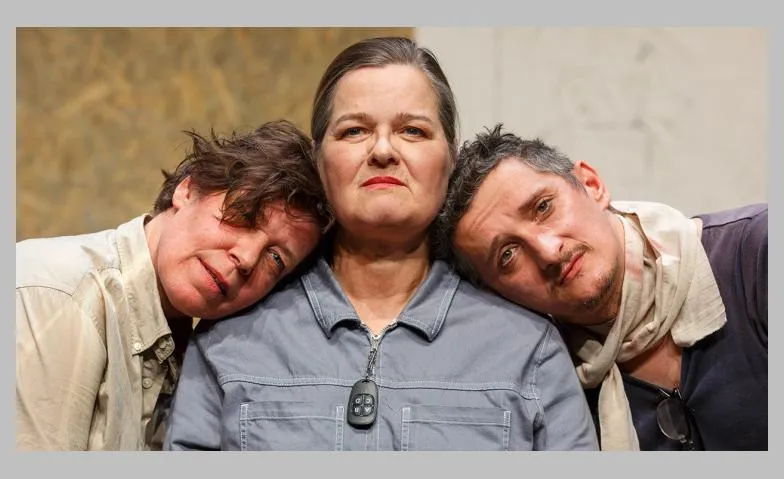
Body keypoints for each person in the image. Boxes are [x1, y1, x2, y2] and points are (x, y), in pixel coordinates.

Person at [163, 37, 598, 451]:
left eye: (413, 131)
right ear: (318, 160)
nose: (383, 150)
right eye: (354, 131)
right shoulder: (228, 341)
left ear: (450, 158)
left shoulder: (528, 347)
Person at [437, 123, 768, 451]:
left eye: (543, 207)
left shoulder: (758, 253)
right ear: (497, 295)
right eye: (507, 255)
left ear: (591, 184)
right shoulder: (543, 380)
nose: (548, 251)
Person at [16, 119, 331, 451]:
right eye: (245, 215)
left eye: (276, 258)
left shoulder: (187, 344)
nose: (248, 258)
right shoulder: (61, 299)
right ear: (188, 190)